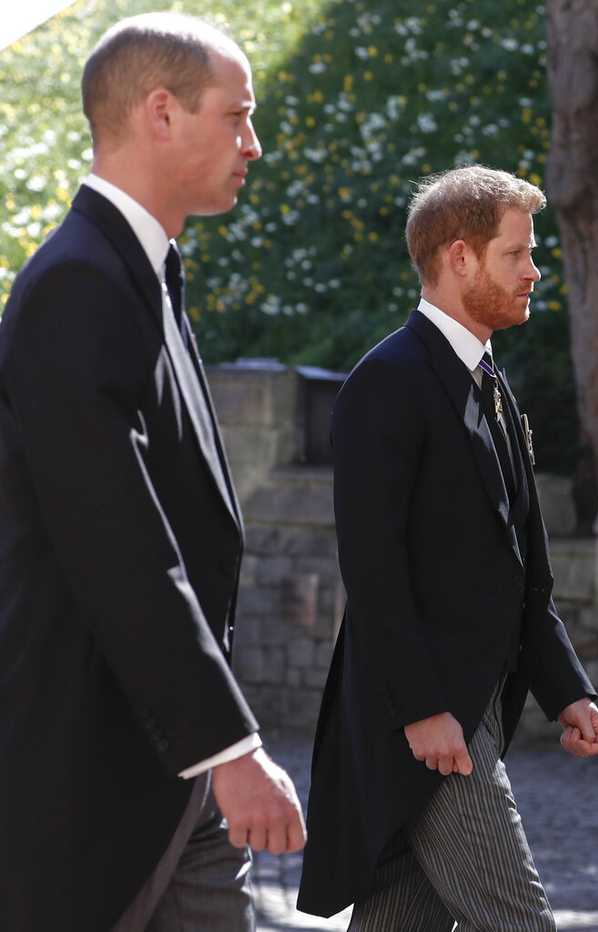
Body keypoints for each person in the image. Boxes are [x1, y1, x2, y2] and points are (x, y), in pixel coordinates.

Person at [0, 13, 305, 932]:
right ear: (161, 113)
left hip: (163, 770)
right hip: (88, 773)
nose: (253, 142)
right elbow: (117, 543)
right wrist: (228, 746)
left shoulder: (142, 272)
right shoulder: (76, 284)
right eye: (237, 116)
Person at [297, 165, 598, 931]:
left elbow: (520, 569)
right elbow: (374, 569)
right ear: (460, 257)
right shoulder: (387, 382)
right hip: (433, 725)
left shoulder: (494, 385)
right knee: (521, 922)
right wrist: (425, 709)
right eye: (518, 254)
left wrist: (566, 685)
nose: (535, 270)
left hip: (473, 712)